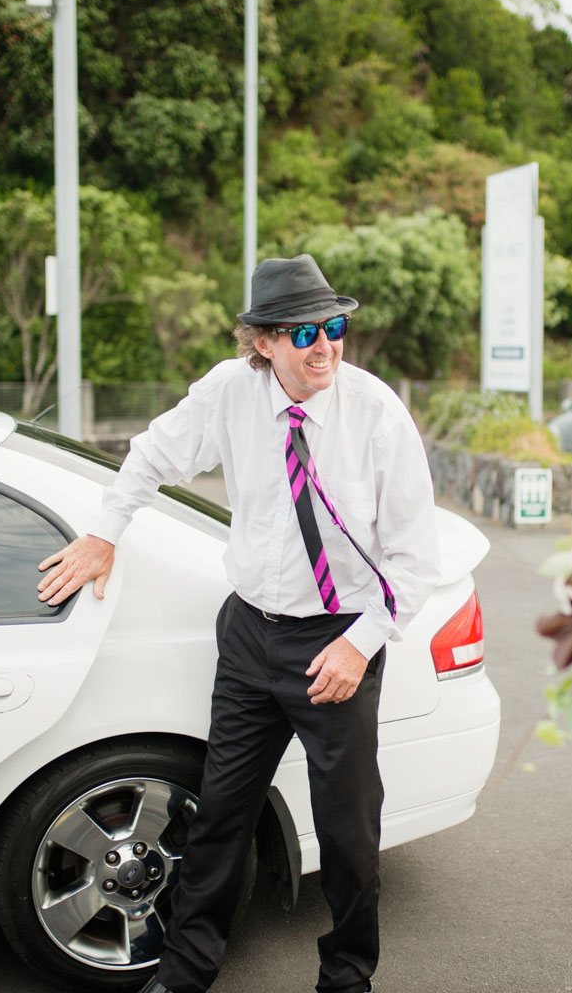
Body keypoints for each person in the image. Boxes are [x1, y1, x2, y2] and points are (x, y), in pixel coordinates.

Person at [36, 254, 440, 993]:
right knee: (221, 816)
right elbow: (150, 455)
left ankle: (347, 979)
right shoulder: (230, 393)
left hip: (338, 641)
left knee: (350, 835)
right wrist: (105, 532)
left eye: (337, 327)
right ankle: (186, 973)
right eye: (305, 332)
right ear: (263, 343)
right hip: (251, 636)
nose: (327, 347)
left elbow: (417, 555)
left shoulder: (376, 413)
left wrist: (359, 644)